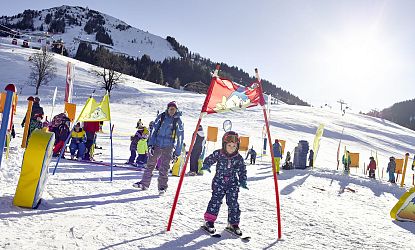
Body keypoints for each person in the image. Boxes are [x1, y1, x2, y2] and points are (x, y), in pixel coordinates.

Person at [201, 131, 247, 236]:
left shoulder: (238, 158)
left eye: (234, 146)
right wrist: (206, 165)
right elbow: (210, 158)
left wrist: (243, 180)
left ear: (237, 146)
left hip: (232, 184)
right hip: (219, 183)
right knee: (215, 201)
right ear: (224, 144)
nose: (231, 148)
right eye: (229, 145)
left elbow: (242, 169)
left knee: (233, 203)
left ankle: (233, 223)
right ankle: (209, 221)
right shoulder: (219, 153)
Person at [133, 101, 184, 194]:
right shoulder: (162, 117)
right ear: (167, 109)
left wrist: (177, 152)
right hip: (157, 144)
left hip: (168, 146)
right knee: (150, 164)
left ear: (176, 110)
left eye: (174, 109)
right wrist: (150, 145)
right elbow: (153, 131)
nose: (172, 111)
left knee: (164, 167)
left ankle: (162, 187)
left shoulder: (178, 121)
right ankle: (144, 183)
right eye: (170, 109)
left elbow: (180, 137)